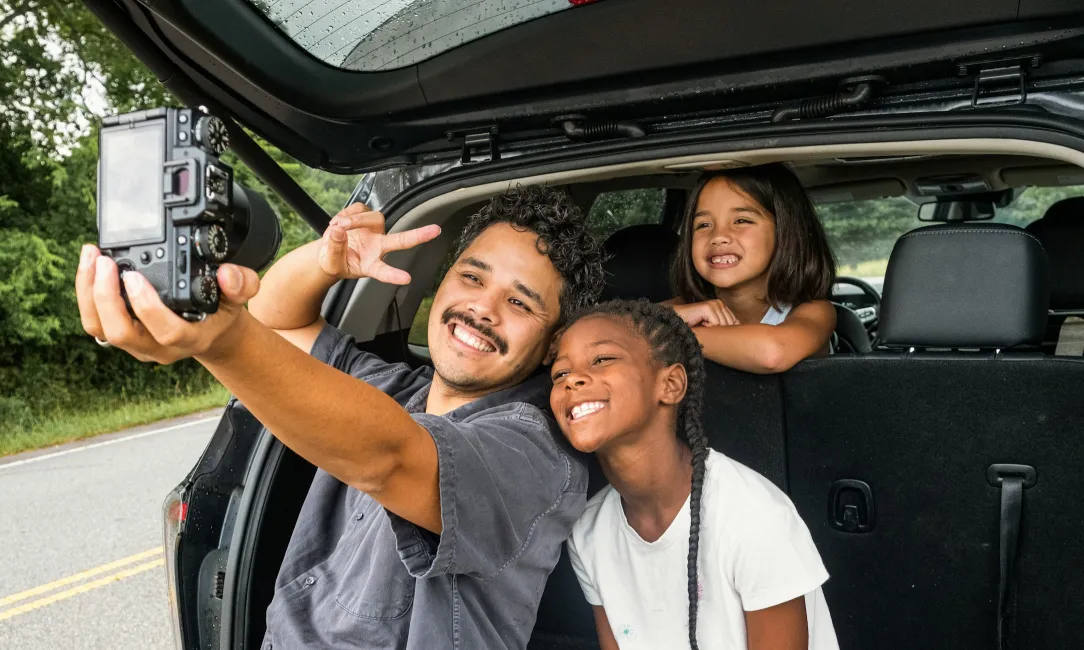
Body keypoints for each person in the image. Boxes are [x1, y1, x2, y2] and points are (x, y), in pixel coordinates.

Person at [76, 185, 605, 650]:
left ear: (550, 345)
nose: (483, 308)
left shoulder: (540, 455)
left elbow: (392, 459)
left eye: (520, 303)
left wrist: (219, 337)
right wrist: (328, 262)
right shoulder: (396, 387)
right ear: (443, 281)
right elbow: (275, 325)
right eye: (472, 277)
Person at [550, 300, 838, 650]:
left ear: (670, 384)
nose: (572, 380)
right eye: (559, 373)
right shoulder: (587, 530)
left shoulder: (754, 517)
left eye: (603, 359)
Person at [668, 164, 838, 373]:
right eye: (703, 225)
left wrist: (667, 330)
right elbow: (618, 326)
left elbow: (772, 353)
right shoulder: (687, 306)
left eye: (741, 220)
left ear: (785, 232)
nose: (718, 236)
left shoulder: (814, 311)